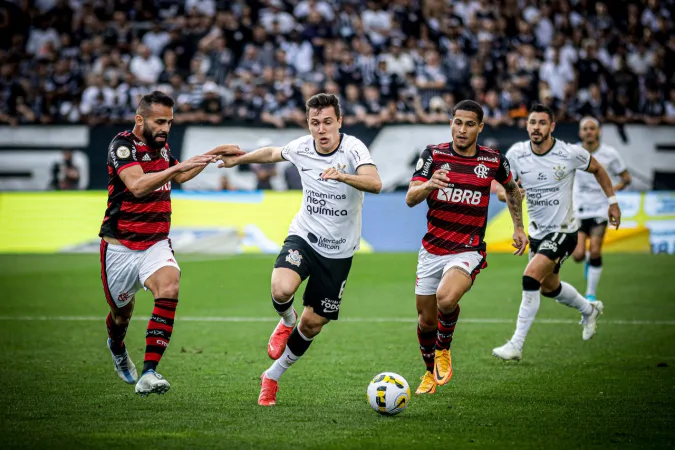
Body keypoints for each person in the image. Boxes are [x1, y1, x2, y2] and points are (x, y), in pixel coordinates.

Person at [216, 93, 382, 406]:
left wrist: (343, 175)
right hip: (305, 237)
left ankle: (272, 376)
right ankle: (286, 319)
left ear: (339, 122)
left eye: (328, 122)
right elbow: (272, 154)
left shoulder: (353, 148)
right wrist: (239, 159)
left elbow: (375, 184)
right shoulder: (302, 147)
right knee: (281, 289)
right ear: (308, 124)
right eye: (315, 123)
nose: (321, 129)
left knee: (313, 324)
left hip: (339, 252)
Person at [99, 91, 242, 396]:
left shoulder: (161, 149)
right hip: (120, 247)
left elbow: (183, 176)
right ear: (141, 120)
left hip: (155, 243)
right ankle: (117, 345)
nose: (165, 127)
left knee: (170, 287)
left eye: (170, 122)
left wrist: (212, 153)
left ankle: (149, 373)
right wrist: (176, 169)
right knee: (121, 315)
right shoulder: (122, 145)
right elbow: (137, 186)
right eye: (159, 121)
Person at [405, 100, 528, 394]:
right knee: (425, 319)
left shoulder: (493, 160)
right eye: (457, 123)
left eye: (469, 124)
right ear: (451, 123)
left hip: (467, 248)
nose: (462, 129)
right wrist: (429, 185)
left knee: (445, 299)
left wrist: (519, 227)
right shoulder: (433, 155)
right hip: (433, 248)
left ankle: (443, 350)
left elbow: (512, 189)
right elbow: (410, 197)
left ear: (480, 127)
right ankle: (428, 374)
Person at [492, 104, 621, 361]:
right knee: (549, 288)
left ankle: (516, 344)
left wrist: (612, 201)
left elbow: (598, 169)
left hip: (564, 231)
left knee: (530, 278)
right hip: (538, 233)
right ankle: (589, 309)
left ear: (552, 127)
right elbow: (499, 187)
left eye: (541, 123)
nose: (536, 128)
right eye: (532, 123)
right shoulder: (517, 153)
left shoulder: (569, 153)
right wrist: (509, 192)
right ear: (526, 125)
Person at [572, 117, 631, 301]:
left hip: (600, 209)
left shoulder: (610, 153)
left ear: (599, 132)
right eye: (585, 128)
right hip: (578, 209)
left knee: (596, 250)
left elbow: (626, 178)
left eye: (592, 128)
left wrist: (611, 191)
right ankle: (587, 261)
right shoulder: (572, 152)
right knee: (578, 255)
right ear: (580, 132)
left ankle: (590, 293)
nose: (588, 131)